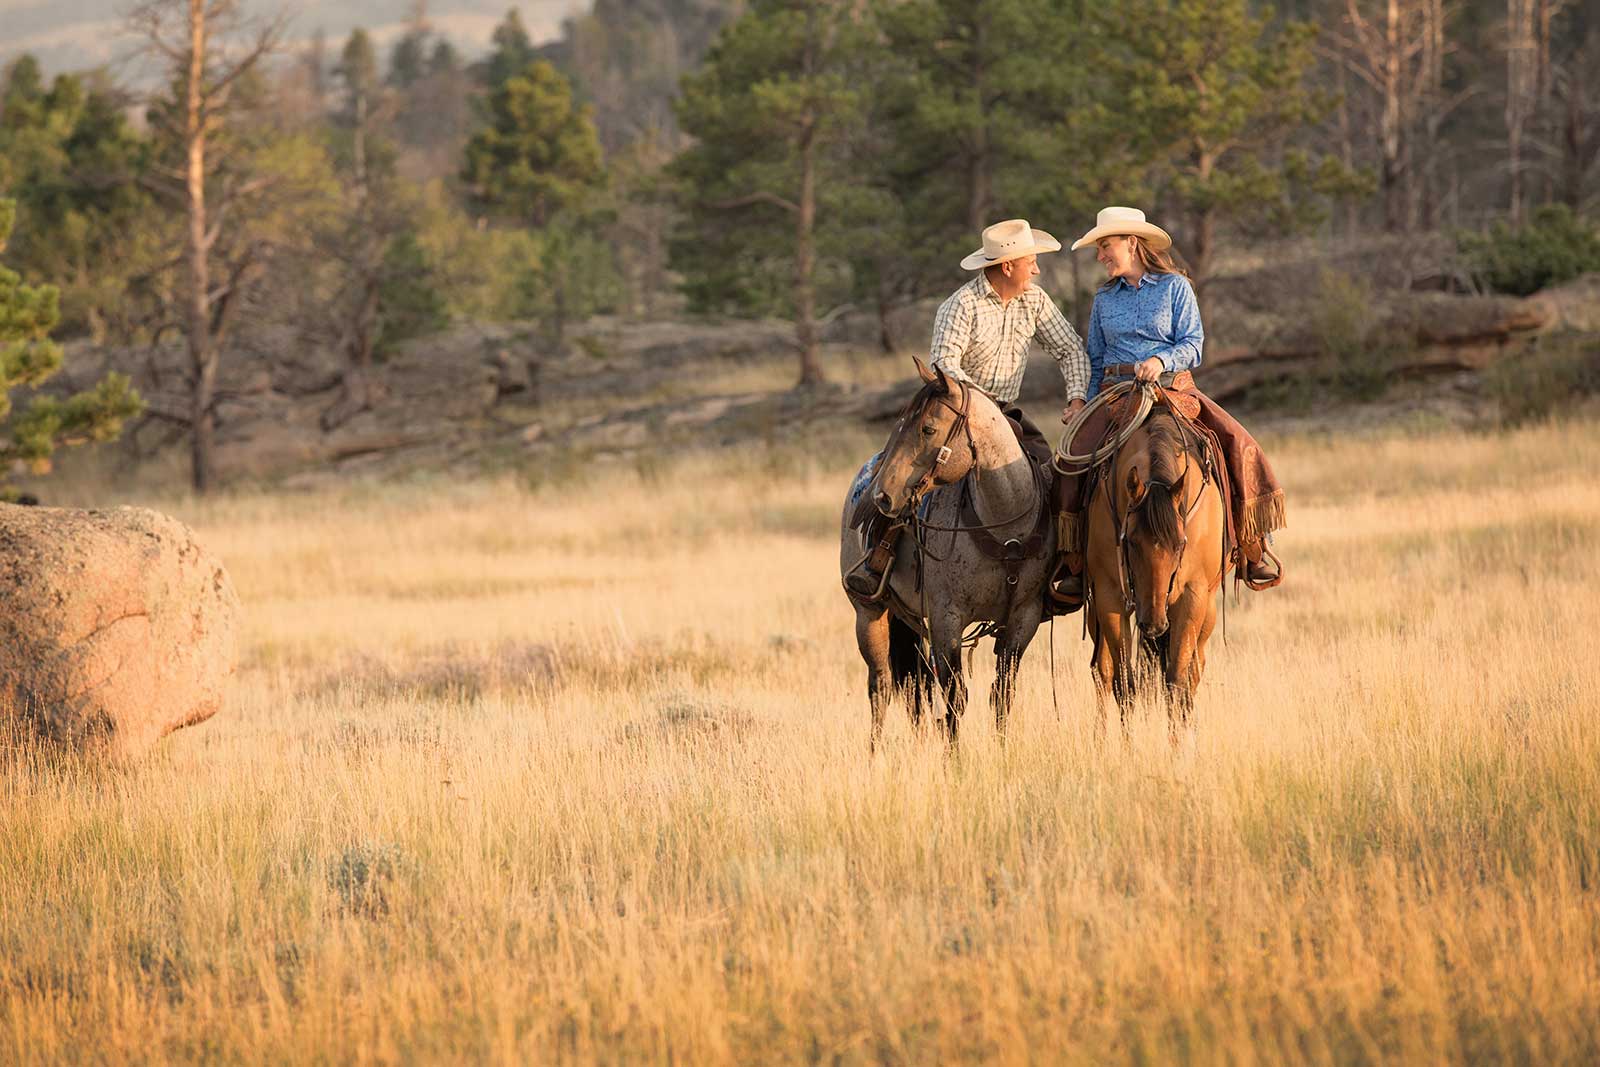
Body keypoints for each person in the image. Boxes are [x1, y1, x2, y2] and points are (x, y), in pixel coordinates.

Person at [843, 218, 1090, 601]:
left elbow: (1070, 348)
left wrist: (1076, 398)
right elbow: (945, 366)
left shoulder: (1035, 300)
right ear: (1007, 267)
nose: (1037, 269)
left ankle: (1057, 566)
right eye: (1031, 262)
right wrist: (978, 404)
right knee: (905, 471)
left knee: (1050, 476)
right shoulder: (961, 305)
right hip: (954, 413)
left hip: (1006, 416)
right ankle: (880, 554)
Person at [1049, 206, 1284, 606]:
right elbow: (1096, 357)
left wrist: (1160, 361)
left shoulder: (1176, 288)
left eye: (1106, 246)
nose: (1100, 255)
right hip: (1115, 393)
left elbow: (1193, 344)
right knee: (1069, 462)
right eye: (1099, 248)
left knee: (1237, 442)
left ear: (1132, 244)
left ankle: (1250, 545)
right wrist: (1083, 405)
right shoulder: (1104, 298)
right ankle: (1071, 560)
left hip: (1172, 388)